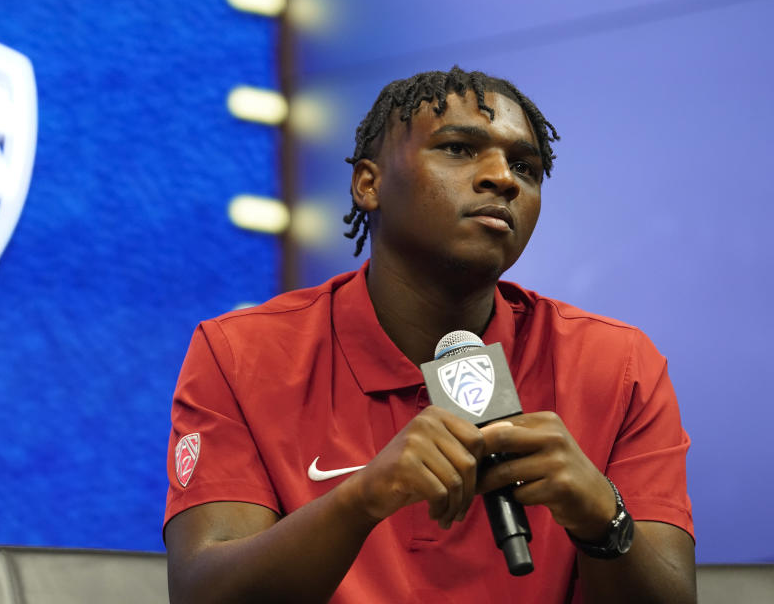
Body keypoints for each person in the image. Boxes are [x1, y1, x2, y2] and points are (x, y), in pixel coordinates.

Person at [163, 66, 695, 603]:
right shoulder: (241, 353)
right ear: (368, 184)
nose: (503, 179)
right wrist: (361, 499)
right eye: (460, 149)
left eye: (525, 167)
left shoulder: (618, 364)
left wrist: (603, 519)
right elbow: (201, 592)